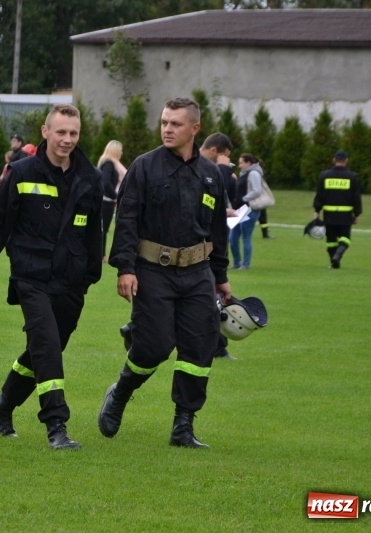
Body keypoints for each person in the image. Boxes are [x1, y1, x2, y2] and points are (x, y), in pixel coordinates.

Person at [0, 104, 103, 450]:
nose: (67, 140)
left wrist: (89, 276)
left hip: (72, 282)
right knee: (48, 348)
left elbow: (95, 233)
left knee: (42, 350)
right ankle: (57, 426)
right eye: (61, 132)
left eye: (74, 133)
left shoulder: (91, 178)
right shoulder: (22, 173)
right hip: (31, 278)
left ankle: (1, 407)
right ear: (45, 131)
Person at [99, 97, 231, 449]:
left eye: (175, 123)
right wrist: (124, 268)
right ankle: (121, 391)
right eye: (164, 122)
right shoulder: (144, 168)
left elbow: (218, 231)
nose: (167, 129)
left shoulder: (211, 175)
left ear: (194, 129)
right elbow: (126, 221)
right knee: (154, 345)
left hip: (198, 273)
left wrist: (221, 277)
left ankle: (183, 426)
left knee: (199, 348)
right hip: (153, 271)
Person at [200, 132, 237, 360]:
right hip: (196, 248)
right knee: (205, 301)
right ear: (214, 150)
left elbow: (216, 200)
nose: (226, 161)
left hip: (209, 246)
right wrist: (223, 170)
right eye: (224, 156)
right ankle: (218, 348)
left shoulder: (214, 172)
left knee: (206, 301)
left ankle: (218, 347)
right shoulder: (200, 166)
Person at [313, 150, 363, 269]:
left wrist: (317, 210)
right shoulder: (352, 177)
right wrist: (357, 213)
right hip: (345, 215)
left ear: (334, 160)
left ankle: (333, 262)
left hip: (329, 214)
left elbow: (320, 195)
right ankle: (338, 256)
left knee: (331, 240)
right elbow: (356, 197)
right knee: (345, 238)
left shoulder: (324, 176)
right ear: (346, 160)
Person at [229, 153, 264, 270]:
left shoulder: (254, 173)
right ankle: (236, 263)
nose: (239, 165)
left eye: (241, 162)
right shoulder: (244, 173)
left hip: (250, 209)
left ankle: (246, 264)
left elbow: (257, 190)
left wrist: (244, 199)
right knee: (233, 237)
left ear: (248, 163)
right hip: (239, 209)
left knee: (246, 236)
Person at [97, 140, 128, 262]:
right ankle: (101, 255)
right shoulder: (109, 164)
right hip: (106, 201)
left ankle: (102, 254)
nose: (122, 152)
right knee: (102, 228)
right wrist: (116, 196)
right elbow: (106, 183)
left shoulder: (108, 163)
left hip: (108, 200)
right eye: (120, 150)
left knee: (103, 228)